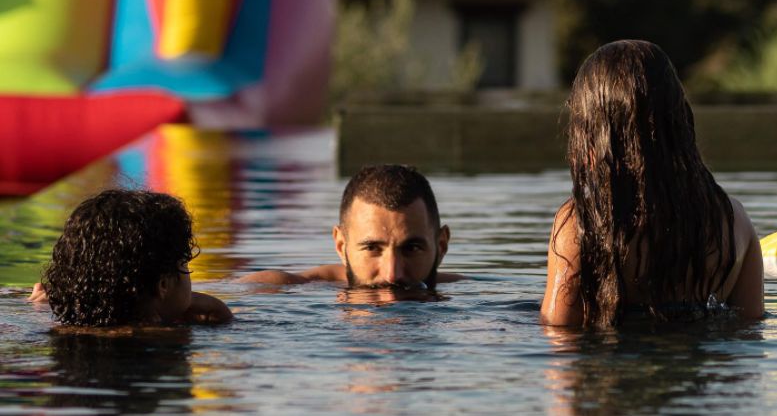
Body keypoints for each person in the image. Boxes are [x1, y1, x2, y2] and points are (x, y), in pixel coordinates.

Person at [541, 40, 764, 328]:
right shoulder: (735, 222)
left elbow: (558, 338)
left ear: (591, 131)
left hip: (609, 368)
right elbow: (748, 335)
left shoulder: (580, 225)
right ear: (680, 120)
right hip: (698, 371)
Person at [238, 164, 462, 289]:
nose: (392, 274)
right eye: (372, 248)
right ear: (340, 245)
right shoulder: (282, 288)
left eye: (411, 249)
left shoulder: (477, 295)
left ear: (441, 246)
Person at [28, 189, 232, 326]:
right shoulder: (167, 340)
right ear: (162, 285)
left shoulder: (68, 327)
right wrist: (220, 312)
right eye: (185, 263)